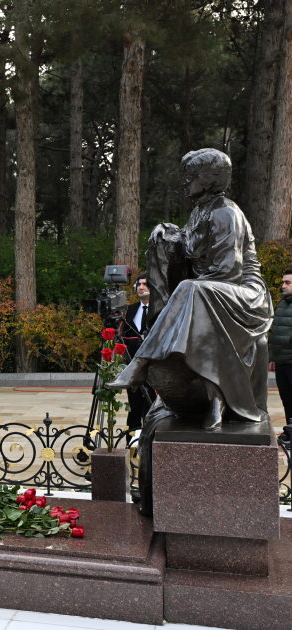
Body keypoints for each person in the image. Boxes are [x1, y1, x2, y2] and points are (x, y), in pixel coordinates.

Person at [108, 148, 273, 516]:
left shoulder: (226, 212)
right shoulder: (200, 212)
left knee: (190, 290)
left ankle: (144, 361)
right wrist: (168, 239)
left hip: (244, 296)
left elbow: (228, 272)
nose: (184, 181)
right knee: (184, 282)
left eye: (190, 174)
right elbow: (187, 257)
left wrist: (187, 278)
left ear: (210, 178)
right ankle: (187, 378)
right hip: (210, 292)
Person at [121, 273, 152, 435]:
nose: (141, 287)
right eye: (139, 284)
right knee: (133, 406)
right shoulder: (131, 309)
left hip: (153, 367)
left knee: (150, 406)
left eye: (145, 284)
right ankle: (132, 441)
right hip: (133, 366)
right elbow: (125, 335)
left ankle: (150, 441)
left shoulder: (160, 308)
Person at [269, 270, 292, 428]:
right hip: (281, 361)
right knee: (287, 400)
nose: (283, 286)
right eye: (283, 282)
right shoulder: (283, 304)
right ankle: (290, 431)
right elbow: (275, 331)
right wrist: (272, 357)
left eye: (288, 283)